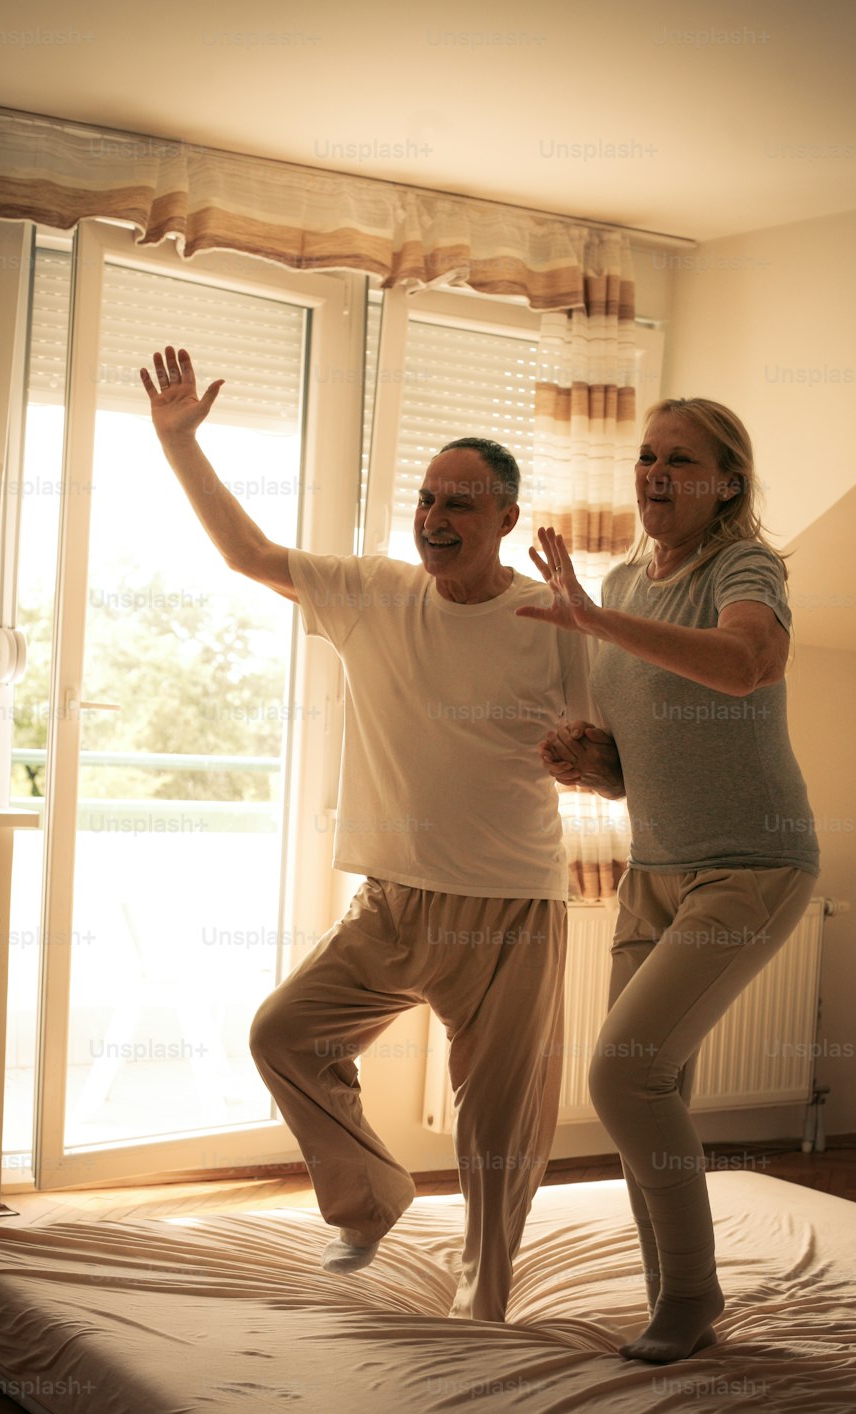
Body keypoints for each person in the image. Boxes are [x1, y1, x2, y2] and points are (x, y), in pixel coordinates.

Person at [138, 346, 621, 1322]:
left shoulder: (553, 621)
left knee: (495, 1122)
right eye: (428, 499)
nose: (436, 519)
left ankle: (483, 1295)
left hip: (505, 911)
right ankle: (372, 1195)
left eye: (461, 504)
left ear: (504, 522)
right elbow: (249, 554)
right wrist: (180, 445)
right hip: (391, 900)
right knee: (284, 1034)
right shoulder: (372, 592)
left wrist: (593, 765)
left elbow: (616, 767)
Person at [517, 397, 820, 1364]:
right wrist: (592, 764)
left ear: (726, 482)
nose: (653, 473)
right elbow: (650, 753)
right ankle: (671, 1303)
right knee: (656, 1089)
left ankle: (692, 1296)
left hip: (753, 863)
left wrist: (595, 619)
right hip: (655, 869)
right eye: (645, 456)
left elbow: (744, 667)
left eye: (679, 460)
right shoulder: (617, 580)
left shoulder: (746, 566)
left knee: (621, 1073)